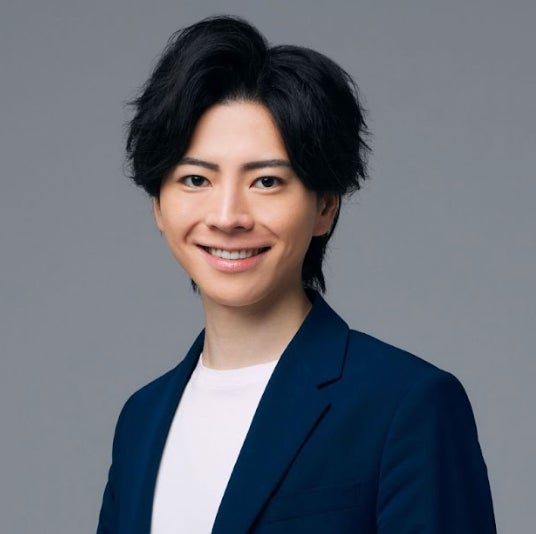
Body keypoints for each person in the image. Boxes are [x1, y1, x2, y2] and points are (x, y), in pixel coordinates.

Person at [97, 16, 496, 534]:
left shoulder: (407, 405)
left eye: (266, 181)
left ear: (325, 206)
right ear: (158, 204)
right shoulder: (140, 420)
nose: (227, 216)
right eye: (195, 179)